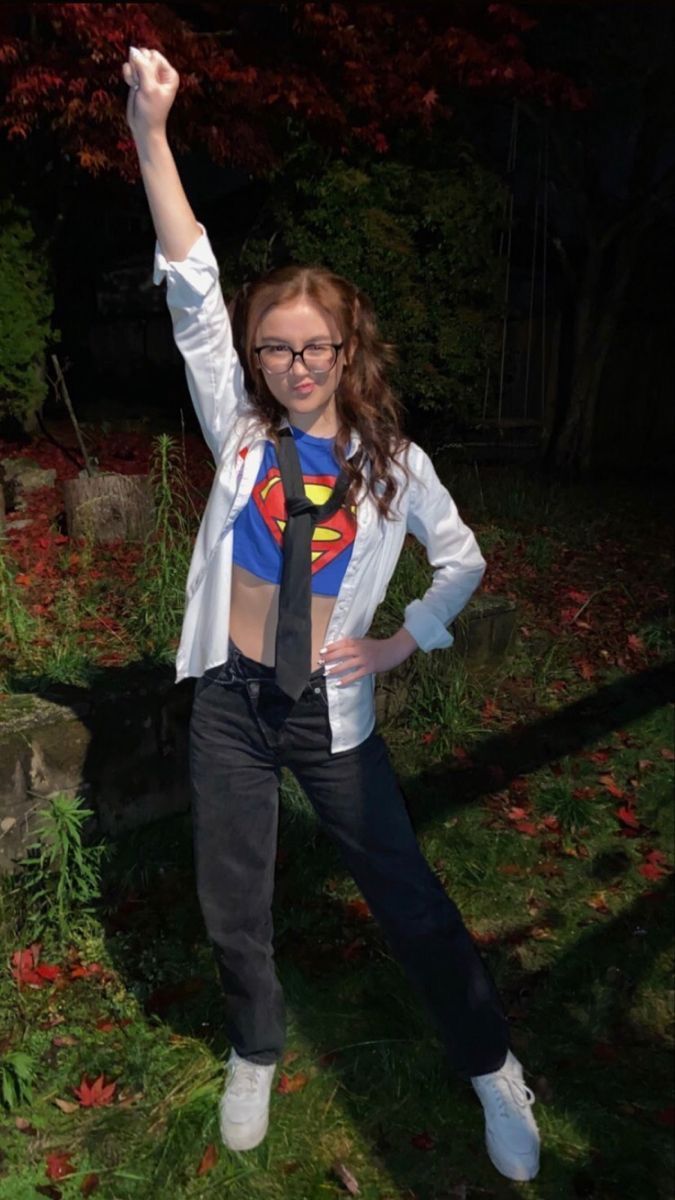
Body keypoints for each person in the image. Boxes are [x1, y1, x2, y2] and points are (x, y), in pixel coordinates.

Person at [122, 45, 541, 1183]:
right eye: (276, 346)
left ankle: (492, 1066)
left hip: (333, 711)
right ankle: (255, 1046)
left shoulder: (395, 465)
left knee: (405, 896)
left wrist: (410, 636)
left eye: (316, 345)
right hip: (230, 700)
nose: (296, 362)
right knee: (232, 892)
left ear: (345, 351)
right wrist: (153, 134)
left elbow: (463, 559)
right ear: (257, 358)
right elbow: (193, 286)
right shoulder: (242, 433)